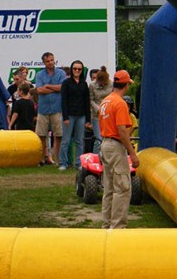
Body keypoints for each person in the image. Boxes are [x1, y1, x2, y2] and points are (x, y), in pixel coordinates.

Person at [99, 69, 140, 229]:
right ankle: (117, 227)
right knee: (122, 187)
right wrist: (132, 153)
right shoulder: (120, 103)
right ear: (126, 85)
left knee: (109, 188)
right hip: (115, 146)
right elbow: (122, 131)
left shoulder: (106, 101)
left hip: (105, 144)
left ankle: (107, 224)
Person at [35, 52, 66, 165]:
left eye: (52, 60)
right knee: (41, 134)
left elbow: (62, 87)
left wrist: (47, 86)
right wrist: (54, 88)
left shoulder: (61, 73)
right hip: (43, 109)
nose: (50, 63)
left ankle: (56, 157)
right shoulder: (39, 74)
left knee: (58, 134)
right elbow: (39, 90)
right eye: (47, 61)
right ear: (44, 62)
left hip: (57, 108)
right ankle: (44, 157)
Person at [59, 60, 91, 171]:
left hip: (81, 115)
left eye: (79, 69)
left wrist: (88, 119)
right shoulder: (66, 83)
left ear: (82, 71)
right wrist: (65, 117)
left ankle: (79, 163)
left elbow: (87, 101)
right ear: (72, 70)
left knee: (79, 140)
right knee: (66, 140)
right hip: (69, 115)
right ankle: (63, 163)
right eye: (75, 69)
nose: (77, 71)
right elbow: (63, 101)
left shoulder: (84, 83)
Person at [89, 66, 112, 154]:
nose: (102, 85)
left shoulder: (112, 85)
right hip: (97, 115)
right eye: (100, 83)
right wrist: (97, 108)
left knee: (108, 139)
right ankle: (96, 158)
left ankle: (107, 158)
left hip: (108, 114)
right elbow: (91, 99)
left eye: (104, 83)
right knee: (98, 139)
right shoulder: (92, 85)